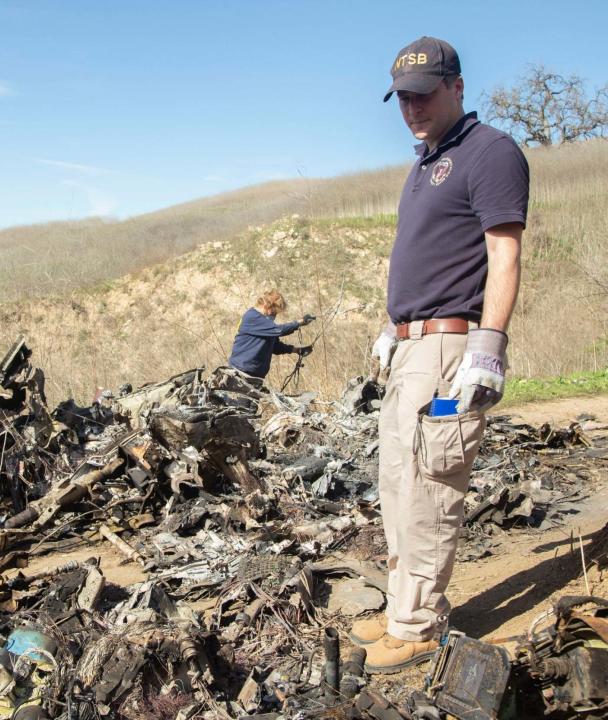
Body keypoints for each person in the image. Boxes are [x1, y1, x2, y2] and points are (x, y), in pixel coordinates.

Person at [352, 37, 529, 674]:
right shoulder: (426, 162)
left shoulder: (490, 153)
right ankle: (404, 606)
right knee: (398, 487)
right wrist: (391, 326)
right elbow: (428, 257)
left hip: (454, 347)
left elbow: (503, 252)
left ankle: (418, 626)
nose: (412, 108)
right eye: (403, 98)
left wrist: (490, 344)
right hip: (410, 347)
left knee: (431, 487)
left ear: (456, 86)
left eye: (424, 94)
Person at [228, 289, 314, 379]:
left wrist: (297, 350)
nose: (274, 316)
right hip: (240, 372)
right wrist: (299, 322)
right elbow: (279, 330)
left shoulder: (266, 324)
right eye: (274, 312)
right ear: (267, 306)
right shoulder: (252, 317)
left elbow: (275, 347)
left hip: (256, 376)